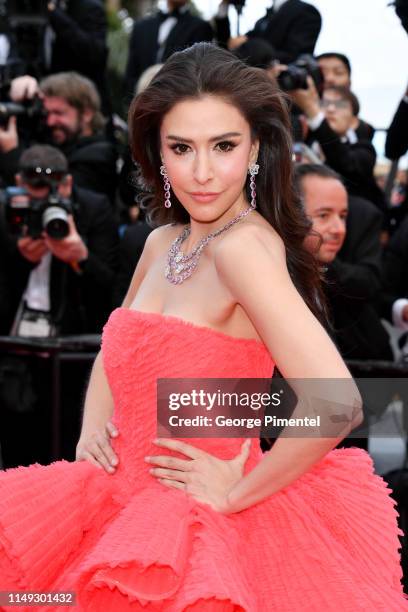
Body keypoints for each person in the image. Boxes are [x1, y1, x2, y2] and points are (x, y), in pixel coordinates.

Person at [0, 43, 406, 610]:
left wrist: (235, 493)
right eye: (182, 148)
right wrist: (93, 432)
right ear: (157, 155)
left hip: (188, 532)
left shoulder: (243, 249)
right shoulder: (162, 241)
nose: (203, 172)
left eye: (224, 146)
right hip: (109, 505)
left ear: (256, 148)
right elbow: (119, 347)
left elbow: (335, 402)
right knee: (33, 597)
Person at [291, 83, 386, 212]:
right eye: (324, 103)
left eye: (340, 105)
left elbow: (345, 163)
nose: (330, 109)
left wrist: (316, 118)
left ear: (354, 120)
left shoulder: (365, 150)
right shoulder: (302, 144)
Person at [124, 0, 213, 98]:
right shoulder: (140, 28)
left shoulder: (201, 28)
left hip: (179, 101)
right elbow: (131, 74)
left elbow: (198, 73)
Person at [216, 0, 321, 63]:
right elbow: (229, 46)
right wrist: (223, 8)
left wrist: (255, 50)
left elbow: (296, 55)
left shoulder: (306, 12)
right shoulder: (264, 19)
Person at [316, 51, 374, 141]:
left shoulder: (364, 130)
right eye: (322, 73)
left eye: (339, 72)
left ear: (349, 82)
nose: (330, 78)